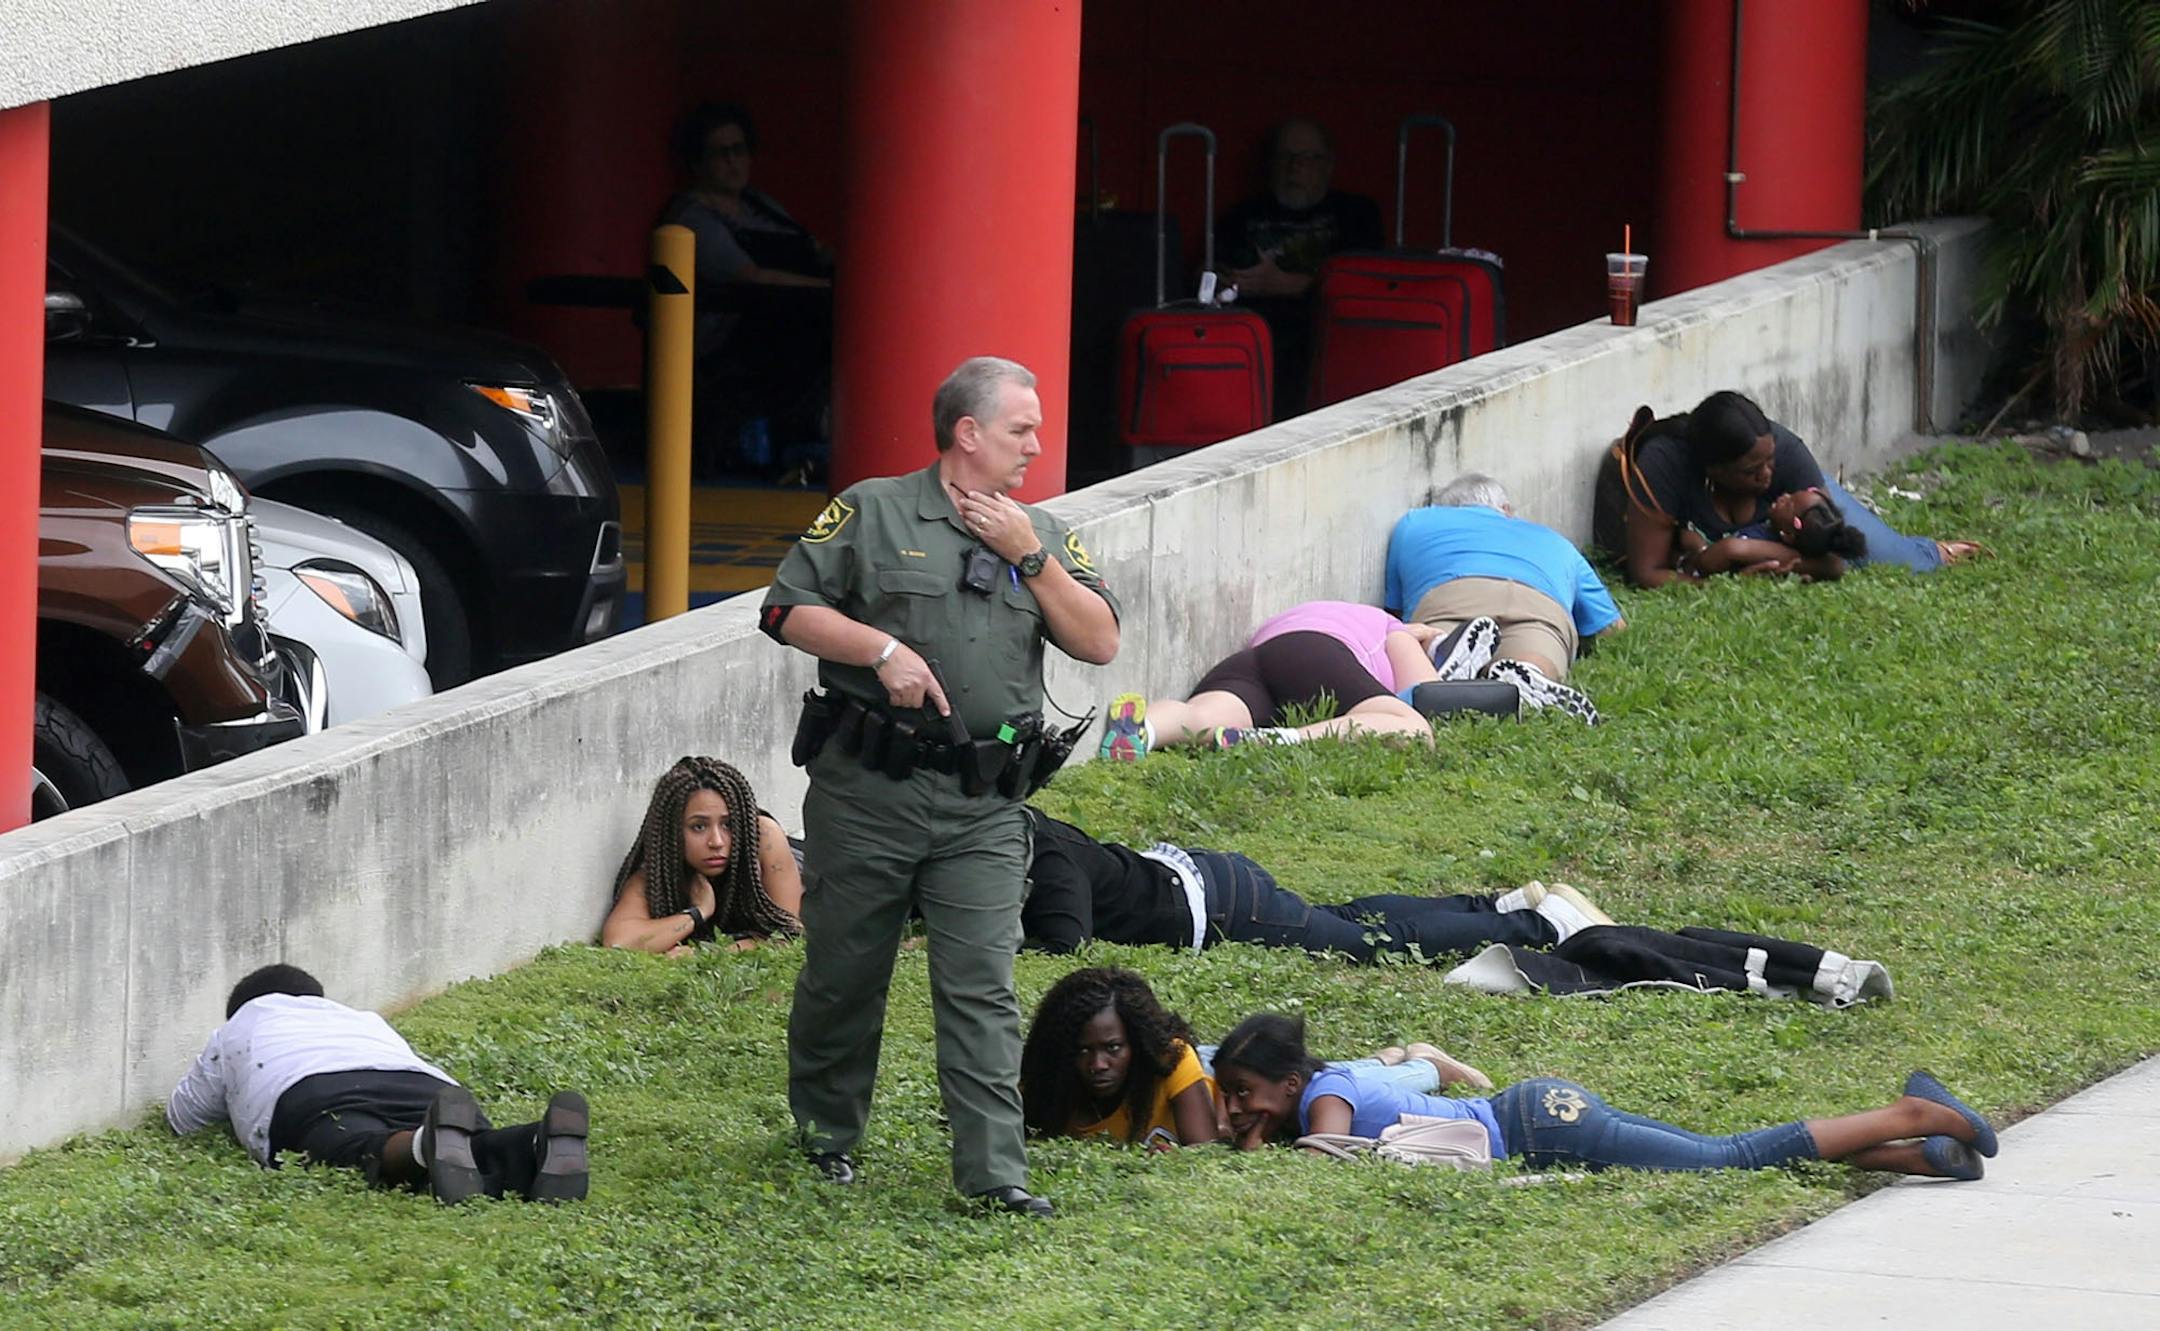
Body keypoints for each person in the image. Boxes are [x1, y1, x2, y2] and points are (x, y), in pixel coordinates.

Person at [759, 356, 1121, 1216]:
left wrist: (1029, 557)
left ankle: (994, 1174)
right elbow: (783, 609)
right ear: (968, 432)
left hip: (985, 804)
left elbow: (1100, 641)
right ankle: (826, 1136)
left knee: (982, 985)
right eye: (1020, 429)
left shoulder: (1042, 533)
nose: (1037, 445)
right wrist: (878, 651)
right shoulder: (873, 510)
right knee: (845, 970)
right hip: (868, 792)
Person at [1211, 1013, 1996, 1182]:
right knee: (1718, 1153)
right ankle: (1910, 1150)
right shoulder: (1324, 1083)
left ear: (1289, 1082)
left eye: (1245, 1094)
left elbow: (1329, 1153)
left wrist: (1244, 1143)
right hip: (1540, 1110)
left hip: (1539, 1124)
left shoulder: (1327, 1093)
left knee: (1722, 1157)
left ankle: (1912, 1109)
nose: (1240, 1107)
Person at [165, 964, 591, 1204]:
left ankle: (421, 1147)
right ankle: (533, 1142)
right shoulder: (361, 1019)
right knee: (470, 1144)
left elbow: (185, 1117)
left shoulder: (241, 1023)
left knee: (344, 1145)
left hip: (312, 1092)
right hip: (420, 1086)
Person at [1021, 807, 1613, 962]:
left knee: (1367, 946)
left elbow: (1065, 941)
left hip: (1223, 907)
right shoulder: (1044, 835)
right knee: (1346, 919)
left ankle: (1543, 925)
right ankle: (1495, 905)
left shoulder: (1047, 860)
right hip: (1213, 880)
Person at [1019, 967, 1485, 1148]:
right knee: (1325, 1082)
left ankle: (1423, 1067)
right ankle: (1388, 1060)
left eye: (1112, 1049)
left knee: (1338, 1084)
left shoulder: (1169, 1059)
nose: (1097, 1064)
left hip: (1209, 1074)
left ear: (1134, 1044)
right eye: (1083, 1052)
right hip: (1218, 1077)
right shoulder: (1053, 1091)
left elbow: (1207, 1146)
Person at [1620, 390, 1987, 588]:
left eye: (1770, 461)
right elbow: (1647, 570)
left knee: (1896, 562)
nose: (1768, 476)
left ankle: (1932, 551)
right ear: (1713, 469)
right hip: (1767, 537)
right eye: (1752, 471)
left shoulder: (1789, 458)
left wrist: (1782, 561)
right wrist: (1721, 585)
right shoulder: (1665, 464)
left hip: (1798, 518)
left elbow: (1834, 556)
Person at [659, 101, 835, 471]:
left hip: (791, 326)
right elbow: (749, 276)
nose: (734, 162)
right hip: (728, 339)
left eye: (740, 150)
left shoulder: (760, 204)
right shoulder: (693, 218)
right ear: (697, 161)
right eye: (722, 153)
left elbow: (812, 246)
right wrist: (826, 289)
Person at [1385, 473, 1623, 724]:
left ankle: (1442, 652)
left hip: (1453, 594)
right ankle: (1529, 672)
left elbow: (1393, 612)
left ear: (1442, 507)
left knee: (1428, 638)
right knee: (1539, 645)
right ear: (1507, 510)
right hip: (1538, 602)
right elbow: (1611, 628)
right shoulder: (1553, 540)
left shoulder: (1414, 522)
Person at [1096, 599, 1440, 760]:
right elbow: (1427, 694)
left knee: (1200, 716)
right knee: (1414, 730)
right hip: (1316, 653)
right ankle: (1272, 742)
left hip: (1255, 660)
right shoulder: (1392, 629)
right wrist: (1416, 641)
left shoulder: (1316, 611)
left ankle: (1145, 727)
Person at [1215, 117, 1384, 414]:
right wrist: (1221, 280)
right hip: (1255, 341)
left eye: (1309, 157)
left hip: (1326, 338)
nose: (1296, 166)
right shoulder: (1241, 215)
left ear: (1328, 165)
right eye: (1286, 156)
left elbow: (1368, 286)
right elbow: (1211, 275)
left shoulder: (1357, 215)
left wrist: (1288, 284)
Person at [601, 756, 803, 955]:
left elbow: (788, 935)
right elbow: (619, 942)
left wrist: (707, 953)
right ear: (673, 832)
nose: (716, 842)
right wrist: (698, 912)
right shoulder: (661, 868)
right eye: (698, 826)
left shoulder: (764, 836)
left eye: (728, 825)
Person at [1672, 484, 1870, 581]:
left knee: (1686, 537)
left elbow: (1725, 551)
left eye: (1789, 503)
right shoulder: (1797, 549)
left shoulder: (1757, 545)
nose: (1784, 496)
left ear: (1789, 534)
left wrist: (1699, 549)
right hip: (1711, 558)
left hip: (1698, 567)